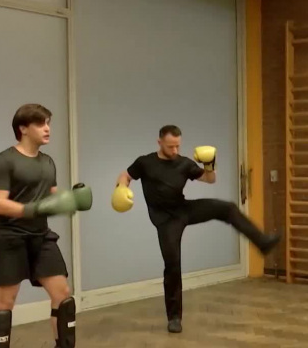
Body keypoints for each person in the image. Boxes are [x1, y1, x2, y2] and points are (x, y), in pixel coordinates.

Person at [113, 125, 281, 334]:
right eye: (170, 146)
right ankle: (174, 317)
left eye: (177, 146)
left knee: (227, 208)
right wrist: (121, 188)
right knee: (172, 263)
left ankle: (262, 242)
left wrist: (209, 163)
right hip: (165, 220)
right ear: (159, 143)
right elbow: (125, 175)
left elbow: (210, 180)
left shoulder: (184, 163)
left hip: (184, 210)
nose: (175, 151)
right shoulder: (145, 162)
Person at [0, 103, 93, 348]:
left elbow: (51, 195)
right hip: (10, 238)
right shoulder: (3, 161)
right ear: (23, 128)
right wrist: (31, 210)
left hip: (41, 237)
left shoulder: (47, 162)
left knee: (63, 293)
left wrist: (70, 199)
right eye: (41, 123)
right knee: (4, 303)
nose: (47, 129)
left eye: (48, 123)